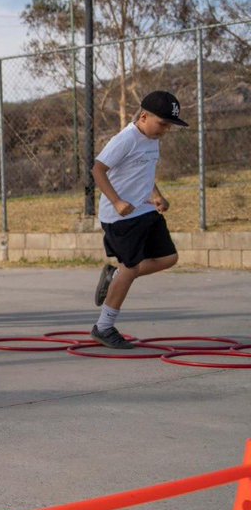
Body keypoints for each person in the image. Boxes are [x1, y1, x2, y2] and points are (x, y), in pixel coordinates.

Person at [89, 91, 185, 349]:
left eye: (169, 125)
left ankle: (115, 277)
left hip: (145, 211)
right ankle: (104, 327)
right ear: (144, 117)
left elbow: (144, 172)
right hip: (120, 218)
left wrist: (157, 196)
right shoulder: (125, 139)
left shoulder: (152, 138)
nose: (165, 130)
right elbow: (97, 170)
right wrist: (117, 201)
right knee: (130, 269)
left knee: (169, 258)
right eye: (163, 124)